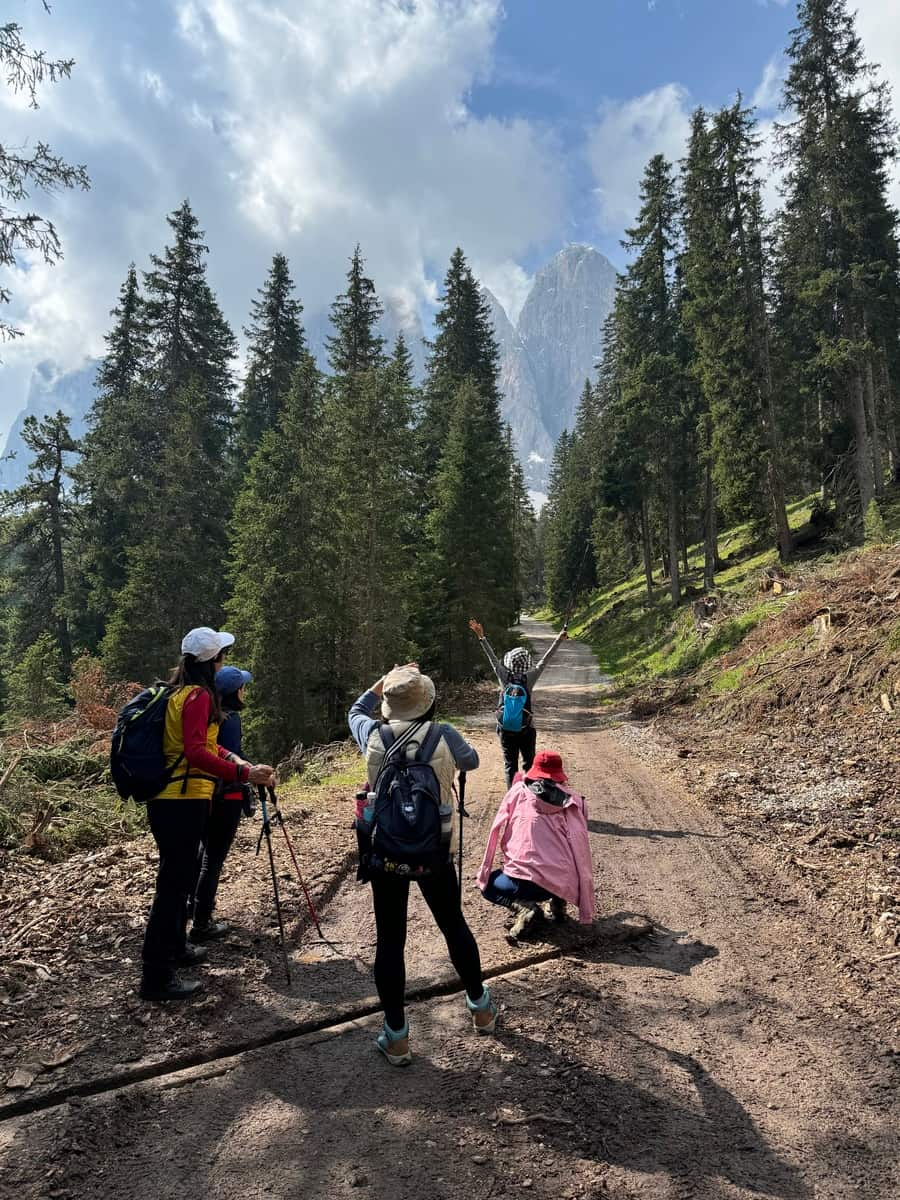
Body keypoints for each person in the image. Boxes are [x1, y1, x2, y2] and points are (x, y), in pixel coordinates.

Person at [348, 663, 497, 1066]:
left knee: (390, 942)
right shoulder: (444, 734)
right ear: (428, 702)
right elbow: (473, 762)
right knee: (453, 925)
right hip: (435, 854)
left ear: (389, 706)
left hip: (387, 856)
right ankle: (481, 1008)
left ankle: (396, 1037)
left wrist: (383, 682)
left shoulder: (374, 736)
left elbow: (355, 713)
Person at [140, 628, 274, 1002]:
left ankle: (176, 950)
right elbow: (198, 752)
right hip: (182, 799)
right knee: (172, 886)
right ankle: (155, 976)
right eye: (222, 657)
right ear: (212, 661)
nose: (224, 663)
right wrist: (244, 773)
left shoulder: (177, 691)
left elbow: (209, 746)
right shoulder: (198, 695)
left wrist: (240, 763)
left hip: (173, 798)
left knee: (179, 880)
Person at [477, 750, 594, 940]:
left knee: (487, 884)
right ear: (559, 775)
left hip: (522, 884)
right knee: (563, 855)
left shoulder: (517, 792)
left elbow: (497, 828)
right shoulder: (576, 802)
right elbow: (579, 846)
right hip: (561, 883)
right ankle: (558, 906)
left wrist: (486, 867)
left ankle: (525, 908)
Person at [189, 665, 255, 943]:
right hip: (226, 796)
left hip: (203, 795)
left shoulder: (210, 715)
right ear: (234, 692)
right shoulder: (231, 720)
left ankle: (193, 911)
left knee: (202, 854)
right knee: (213, 860)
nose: (245, 691)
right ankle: (202, 922)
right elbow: (231, 756)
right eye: (242, 686)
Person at [468, 618, 568, 787]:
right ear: (527, 664)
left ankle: (512, 799)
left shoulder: (504, 676)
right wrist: (558, 640)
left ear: (509, 663)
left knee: (510, 766)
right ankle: (529, 799)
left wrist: (481, 637)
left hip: (506, 728)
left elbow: (492, 659)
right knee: (529, 765)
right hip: (527, 728)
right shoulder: (530, 677)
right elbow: (545, 659)